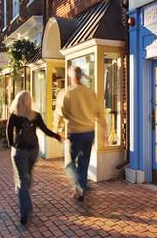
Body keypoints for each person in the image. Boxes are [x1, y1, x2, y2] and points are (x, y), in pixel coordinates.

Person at [6, 91, 62, 225]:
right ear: (30, 101)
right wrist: (57, 136)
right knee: (27, 176)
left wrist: (12, 145)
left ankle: (25, 211)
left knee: (22, 181)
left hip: (20, 151)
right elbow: (45, 130)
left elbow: (8, 131)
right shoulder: (35, 115)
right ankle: (26, 199)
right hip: (33, 150)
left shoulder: (14, 115)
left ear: (18, 101)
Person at [60, 66, 107, 201]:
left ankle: (79, 187)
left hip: (75, 133)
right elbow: (100, 113)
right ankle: (81, 188)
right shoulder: (90, 92)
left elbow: (62, 112)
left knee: (69, 164)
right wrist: (104, 129)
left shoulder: (68, 93)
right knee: (84, 162)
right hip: (89, 132)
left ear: (72, 77)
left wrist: (59, 129)